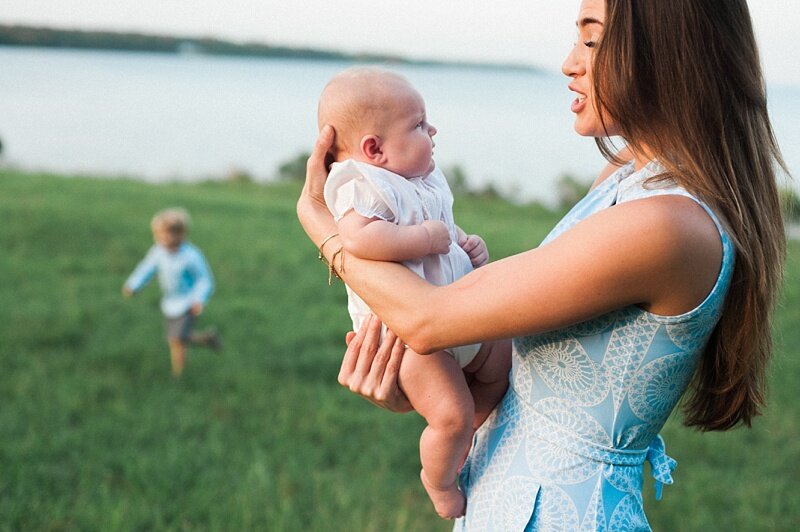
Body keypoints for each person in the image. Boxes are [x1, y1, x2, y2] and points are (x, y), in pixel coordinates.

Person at [298, 0, 787, 528]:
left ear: (669, 53)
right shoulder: (627, 179)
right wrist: (427, 392)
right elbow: (532, 393)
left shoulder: (668, 224)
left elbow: (426, 318)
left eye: (592, 41)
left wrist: (321, 222)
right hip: (506, 505)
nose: (569, 63)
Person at [317, 67, 511, 519]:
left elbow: (442, 225)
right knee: (449, 414)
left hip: (460, 318)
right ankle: (439, 481)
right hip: (406, 337)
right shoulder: (361, 185)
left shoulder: (423, 179)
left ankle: (473, 434)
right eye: (420, 124)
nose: (433, 129)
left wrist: (465, 244)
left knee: (499, 364)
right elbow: (361, 241)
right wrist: (425, 239)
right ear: (375, 149)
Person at [123, 207, 221, 377]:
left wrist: (199, 300)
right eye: (160, 235)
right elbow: (146, 269)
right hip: (170, 302)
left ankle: (178, 375)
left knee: (176, 340)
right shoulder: (158, 253)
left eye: (170, 234)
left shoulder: (191, 255)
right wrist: (133, 285)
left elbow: (204, 279)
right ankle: (207, 339)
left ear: (182, 234)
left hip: (188, 303)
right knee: (178, 338)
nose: (165, 239)